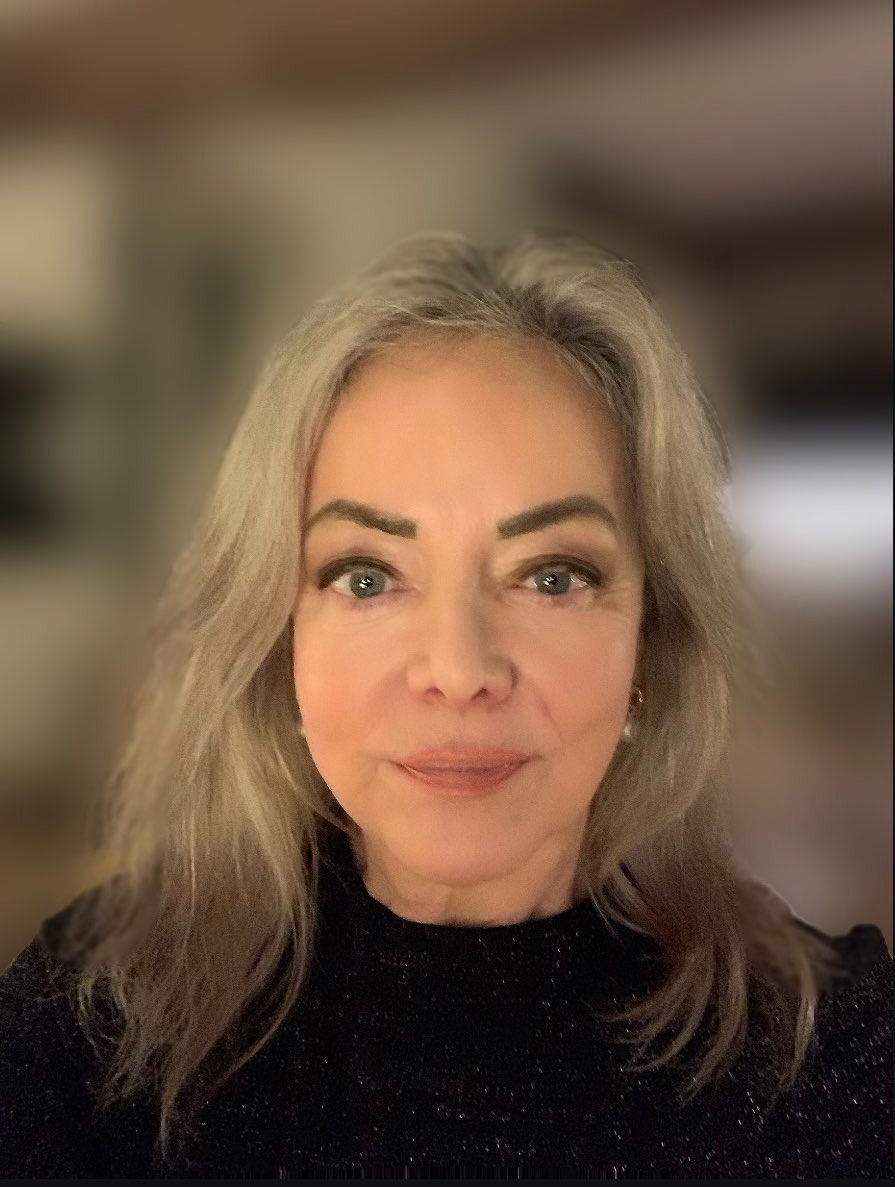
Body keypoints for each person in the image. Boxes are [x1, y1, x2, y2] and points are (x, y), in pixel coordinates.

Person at [0, 232, 891, 1180]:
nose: (459, 669)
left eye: (551, 575)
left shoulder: (828, 1052)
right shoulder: (90, 1022)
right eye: (366, 576)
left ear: (649, 640)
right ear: (279, 639)